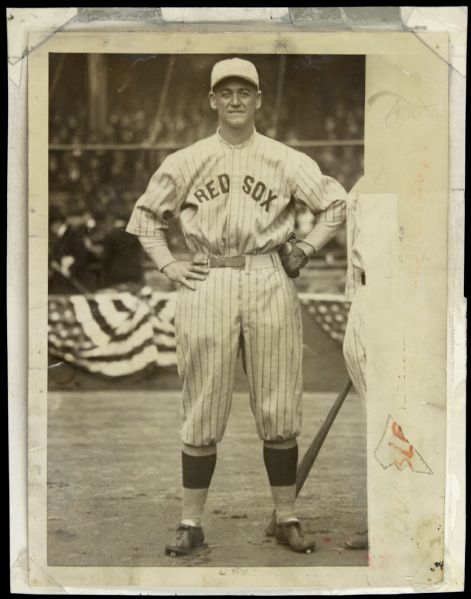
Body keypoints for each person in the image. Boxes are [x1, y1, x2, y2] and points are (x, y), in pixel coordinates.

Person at [126, 58, 347, 556]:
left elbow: (335, 204)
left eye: (244, 92)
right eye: (225, 92)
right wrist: (168, 265)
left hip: (269, 273)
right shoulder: (186, 159)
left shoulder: (285, 159)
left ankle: (285, 517)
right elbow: (144, 219)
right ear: (211, 100)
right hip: (208, 277)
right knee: (202, 404)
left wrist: (307, 248)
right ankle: (191, 521)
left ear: (259, 100)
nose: (235, 100)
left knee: (278, 404)